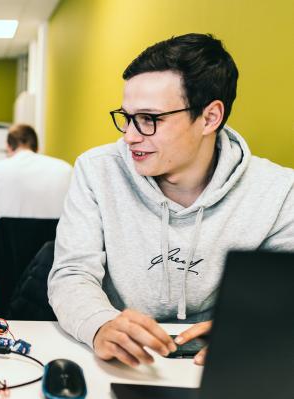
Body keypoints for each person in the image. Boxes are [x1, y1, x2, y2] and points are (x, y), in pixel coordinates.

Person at [48, 33, 294, 368]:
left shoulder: (279, 190)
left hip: (222, 370)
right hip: (121, 364)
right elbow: (72, 272)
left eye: (150, 119)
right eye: (127, 116)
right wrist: (100, 324)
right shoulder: (97, 170)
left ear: (210, 117)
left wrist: (250, 330)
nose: (131, 135)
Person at [0, 124, 72, 229]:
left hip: (7, 244)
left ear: (8, 147)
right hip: (54, 243)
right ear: (37, 148)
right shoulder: (66, 170)